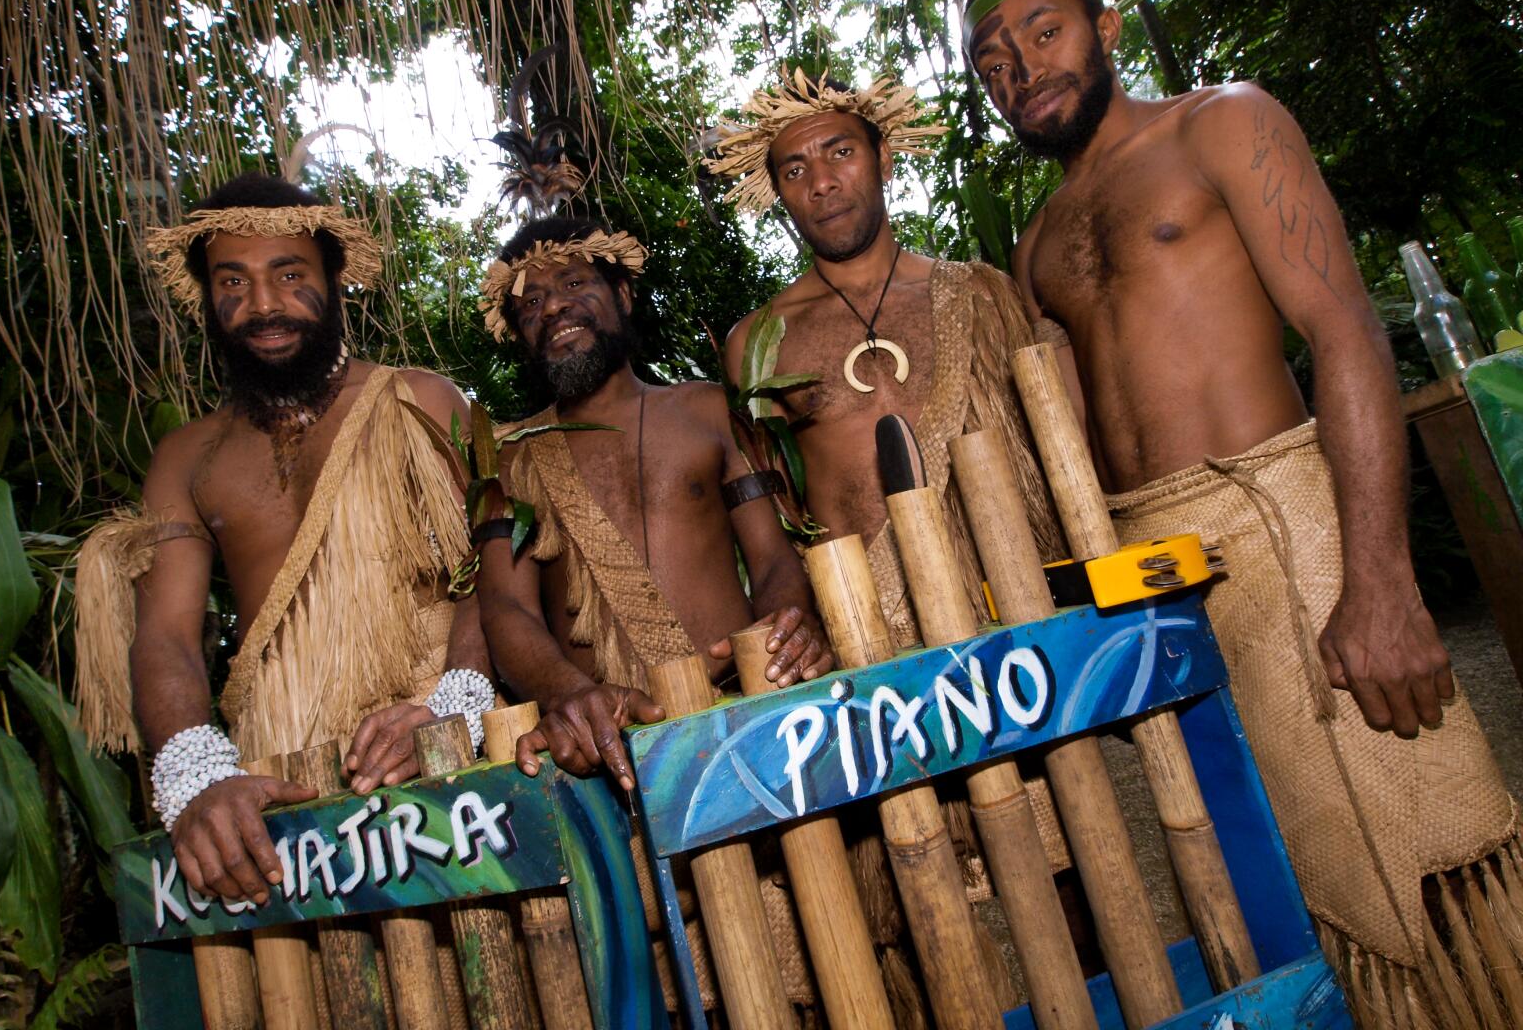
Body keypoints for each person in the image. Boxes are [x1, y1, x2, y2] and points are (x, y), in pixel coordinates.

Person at [963, 0, 1520, 1023]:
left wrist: (1381, 579)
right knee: (1279, 870)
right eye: (992, 60)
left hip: (1285, 527)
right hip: (1157, 580)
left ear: (1104, 25)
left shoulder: (1221, 124)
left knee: (1417, 844)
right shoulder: (1035, 242)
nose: (1021, 69)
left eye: (1042, 32)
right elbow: (1066, 445)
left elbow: (1347, 331)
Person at [75, 173, 493, 907]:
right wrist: (198, 776)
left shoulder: (418, 401)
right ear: (206, 297)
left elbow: (493, 569)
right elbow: (166, 635)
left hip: (440, 756)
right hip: (283, 781)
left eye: (289, 274)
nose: (262, 304)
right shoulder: (187, 457)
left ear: (334, 281)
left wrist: (454, 706)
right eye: (232, 280)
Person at [473, 216, 832, 788]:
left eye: (572, 284)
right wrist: (567, 693)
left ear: (622, 293)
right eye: (530, 302)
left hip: (748, 718)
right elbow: (507, 609)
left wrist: (790, 627)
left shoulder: (708, 411)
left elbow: (772, 558)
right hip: (609, 751)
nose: (551, 308)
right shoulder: (513, 460)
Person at [712, 70, 1062, 644]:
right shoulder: (757, 341)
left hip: (1022, 604)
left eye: (841, 152)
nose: (821, 182)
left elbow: (1050, 446)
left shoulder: (982, 294)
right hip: (872, 636)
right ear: (779, 194)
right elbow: (776, 518)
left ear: (885, 159)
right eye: (794, 170)